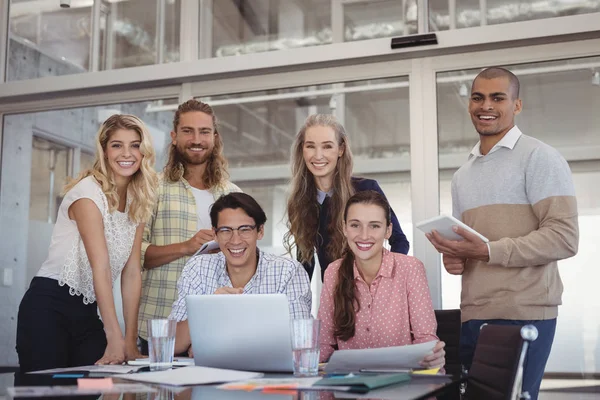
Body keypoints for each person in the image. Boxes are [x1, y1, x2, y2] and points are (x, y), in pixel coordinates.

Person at [426, 67, 578, 399]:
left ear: (517, 105)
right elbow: (473, 249)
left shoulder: (540, 158)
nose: (486, 106)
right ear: (469, 105)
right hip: (473, 313)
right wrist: (456, 258)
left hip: (525, 312)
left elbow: (565, 237)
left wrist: (486, 251)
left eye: (498, 97)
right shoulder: (462, 176)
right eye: (478, 97)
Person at [16, 114, 158, 372]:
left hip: (88, 311)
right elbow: (100, 266)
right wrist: (113, 337)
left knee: (90, 387)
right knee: (46, 393)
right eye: (117, 145)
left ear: (144, 151)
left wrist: (129, 340)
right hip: (48, 306)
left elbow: (132, 272)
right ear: (104, 150)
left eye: (135, 145)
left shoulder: (139, 201)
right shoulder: (87, 195)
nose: (126, 153)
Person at [138, 99, 241, 354]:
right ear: (174, 136)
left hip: (219, 326)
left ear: (215, 137)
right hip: (160, 325)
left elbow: (247, 261)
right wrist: (186, 247)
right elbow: (135, 255)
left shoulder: (234, 195)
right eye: (188, 131)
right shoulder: (151, 188)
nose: (197, 139)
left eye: (204, 131)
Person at [170, 192, 312, 355]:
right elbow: (170, 343)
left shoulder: (288, 272)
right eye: (225, 230)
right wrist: (208, 310)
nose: (235, 240)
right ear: (215, 234)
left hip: (269, 377)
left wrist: (213, 342)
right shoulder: (197, 268)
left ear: (260, 231)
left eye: (244, 230)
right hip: (208, 374)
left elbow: (302, 342)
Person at [318, 190, 445, 367]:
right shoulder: (334, 272)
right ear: (344, 228)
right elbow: (324, 344)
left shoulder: (410, 269)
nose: (364, 235)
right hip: (351, 387)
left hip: (400, 384)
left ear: (388, 231)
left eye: (374, 226)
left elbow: (425, 340)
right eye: (355, 225)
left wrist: (430, 357)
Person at [285, 114, 409, 282]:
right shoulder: (300, 202)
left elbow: (400, 241)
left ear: (341, 150)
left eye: (327, 146)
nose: (318, 155)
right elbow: (305, 260)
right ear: (302, 149)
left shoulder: (366, 189)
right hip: (336, 297)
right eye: (310, 146)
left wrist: (384, 283)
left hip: (372, 291)